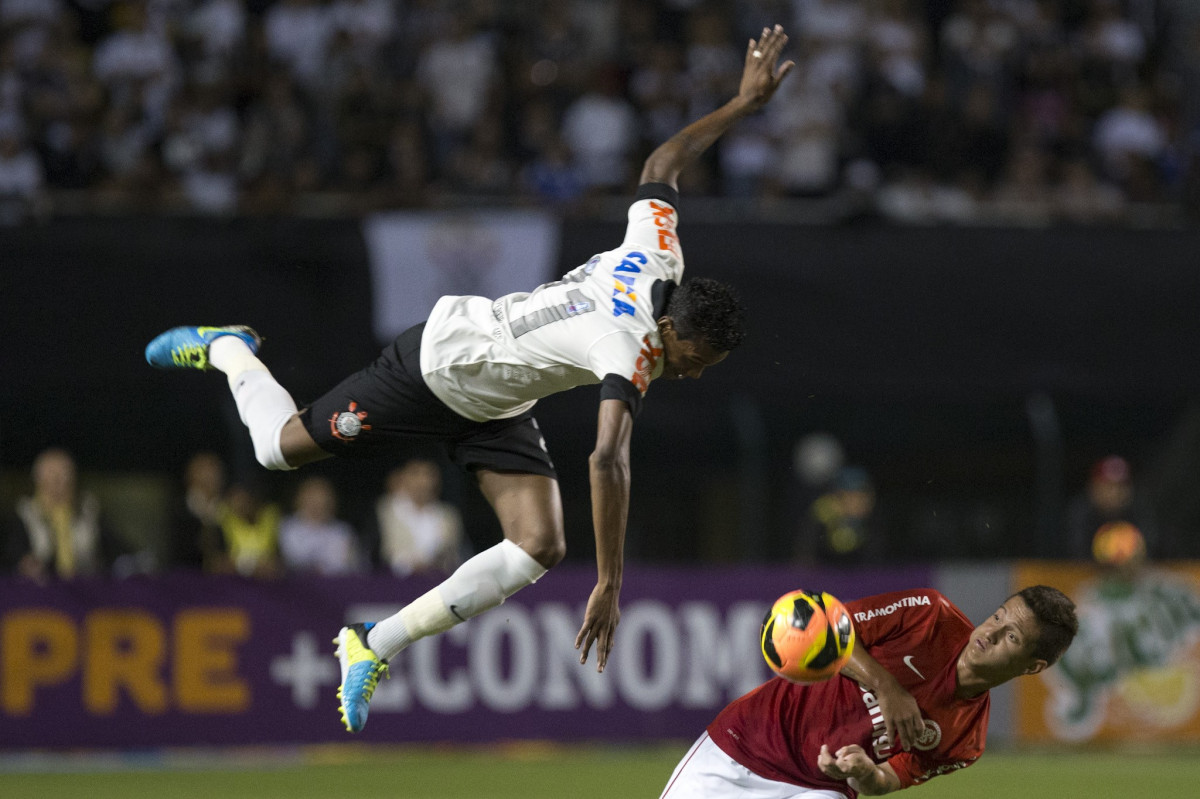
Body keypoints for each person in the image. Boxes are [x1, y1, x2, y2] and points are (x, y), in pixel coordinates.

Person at [144, 23, 795, 733]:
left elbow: (665, 158)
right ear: (674, 331)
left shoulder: (661, 253)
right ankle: (232, 349)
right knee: (277, 446)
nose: (693, 375)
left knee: (540, 544)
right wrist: (610, 582)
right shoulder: (633, 344)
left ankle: (372, 642)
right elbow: (607, 456)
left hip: (500, 394)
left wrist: (742, 106)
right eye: (696, 360)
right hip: (440, 364)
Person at [659, 585, 1077, 798]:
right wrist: (885, 685)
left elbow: (885, 780)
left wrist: (862, 772)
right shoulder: (929, 614)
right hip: (744, 745)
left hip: (820, 788)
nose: (990, 631)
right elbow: (828, 623)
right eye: (998, 615)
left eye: (1012, 637)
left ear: (1033, 666)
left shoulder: (966, 738)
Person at [2, 448, 124, 580]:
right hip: (38, 591)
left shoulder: (89, 510)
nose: (58, 483)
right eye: (51, 476)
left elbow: (115, 548)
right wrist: (24, 562)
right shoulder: (23, 513)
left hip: (85, 588)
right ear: (38, 480)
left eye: (64, 475)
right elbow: (12, 553)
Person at [367, 458, 467, 578]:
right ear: (403, 477)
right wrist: (406, 564)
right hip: (394, 584)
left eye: (429, 474)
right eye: (416, 473)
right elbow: (376, 553)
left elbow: (454, 554)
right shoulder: (384, 509)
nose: (423, 481)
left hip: (437, 581)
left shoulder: (448, 515)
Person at [279, 476, 364, 575]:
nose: (318, 501)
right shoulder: (286, 528)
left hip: (336, 587)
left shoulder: (343, 532)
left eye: (322, 496)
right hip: (296, 587)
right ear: (300, 498)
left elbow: (354, 567)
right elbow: (289, 561)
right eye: (312, 496)